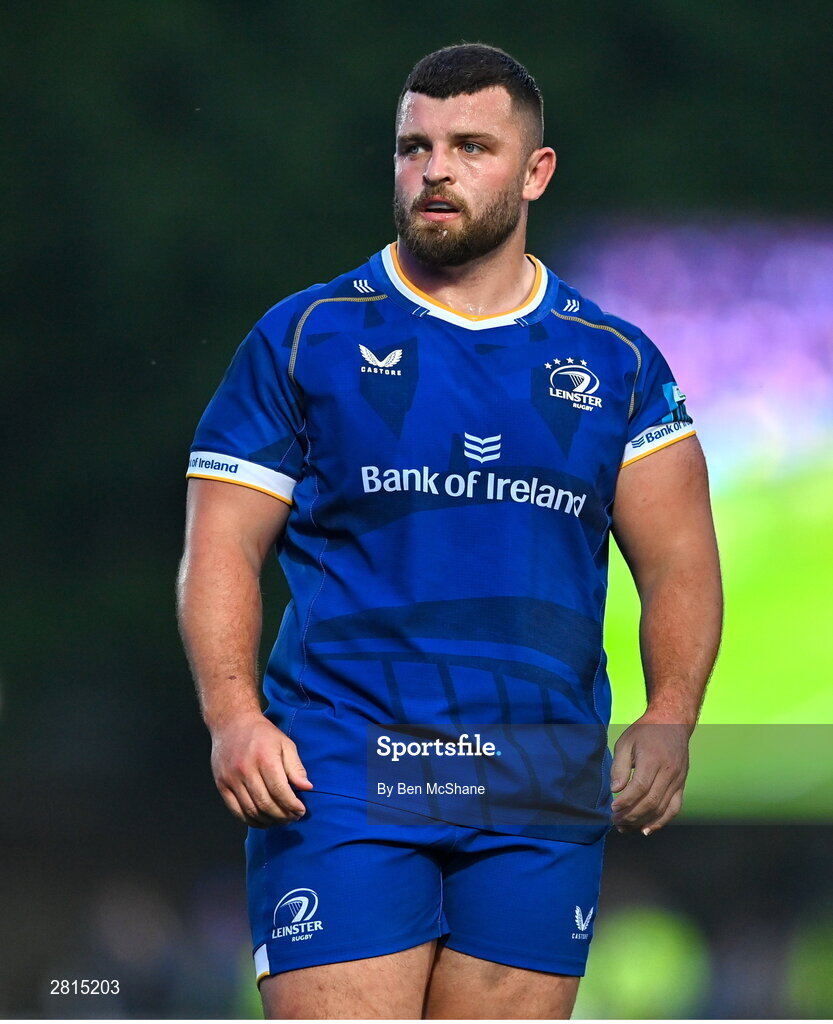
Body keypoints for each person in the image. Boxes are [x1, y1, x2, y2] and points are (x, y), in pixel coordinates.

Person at [177, 43, 722, 1020]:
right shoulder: (303, 337)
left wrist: (669, 713)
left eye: (470, 146)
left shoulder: (617, 362)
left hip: (537, 784)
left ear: (534, 172)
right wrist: (232, 715)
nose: (434, 168)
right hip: (339, 770)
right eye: (412, 146)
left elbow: (678, 557)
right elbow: (221, 544)